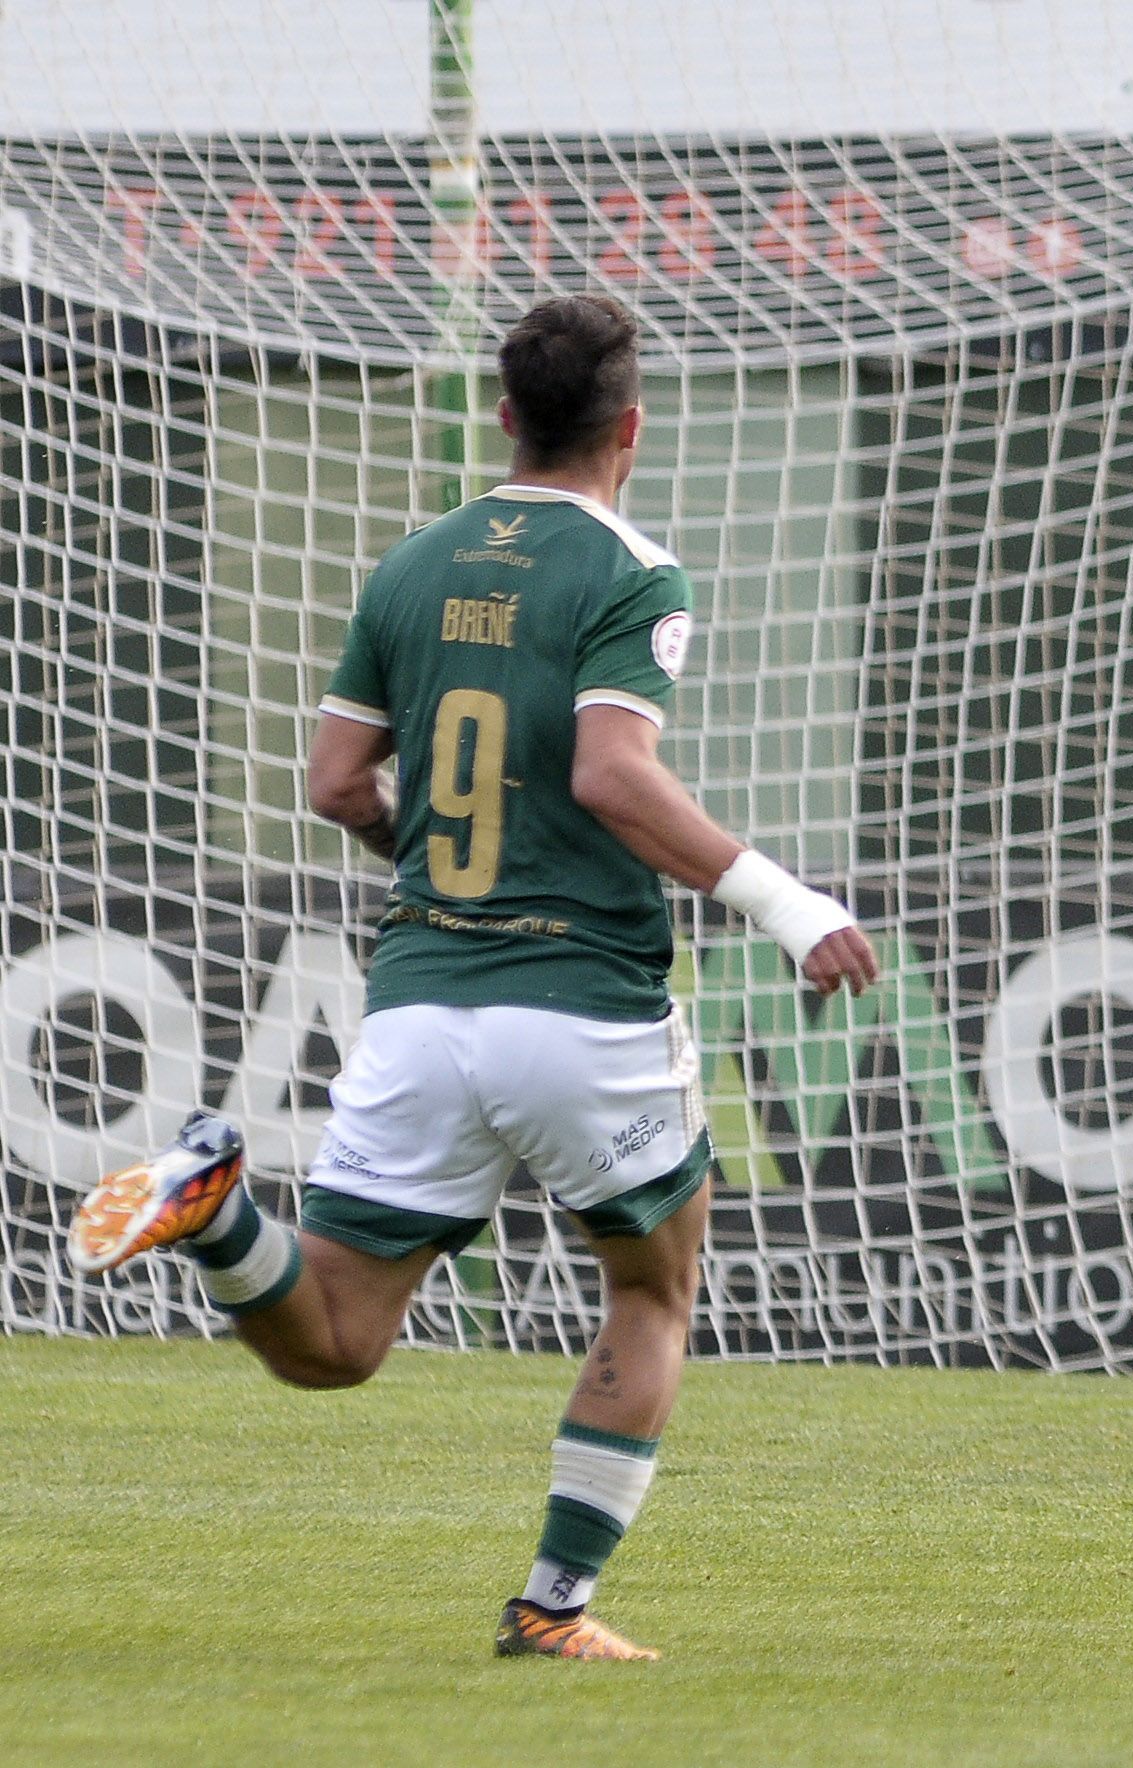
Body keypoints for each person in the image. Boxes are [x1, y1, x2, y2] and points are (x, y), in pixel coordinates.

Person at [67, 293, 878, 1658]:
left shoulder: (410, 566)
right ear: (630, 426)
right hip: (582, 1007)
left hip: (422, 1000)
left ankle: (212, 1213)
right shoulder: (632, 571)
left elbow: (334, 783)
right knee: (651, 1289)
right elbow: (611, 773)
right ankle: (555, 1609)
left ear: (505, 417)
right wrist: (787, 904)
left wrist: (420, 848)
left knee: (332, 1339)